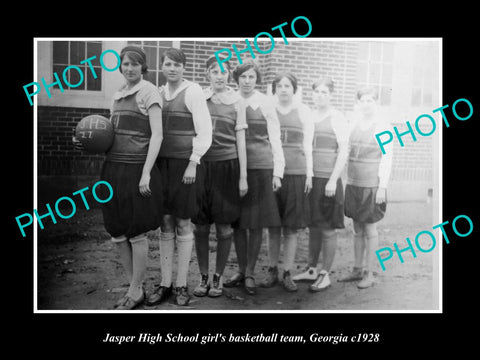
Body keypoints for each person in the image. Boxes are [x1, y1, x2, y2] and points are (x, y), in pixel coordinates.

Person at [73, 46, 164, 310]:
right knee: (116, 233)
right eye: (125, 64)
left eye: (135, 64)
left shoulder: (149, 91)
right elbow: (109, 134)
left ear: (142, 67)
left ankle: (136, 291)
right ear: (120, 66)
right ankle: (134, 287)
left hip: (137, 169)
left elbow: (157, 135)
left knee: (136, 233)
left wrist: (146, 172)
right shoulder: (117, 94)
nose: (130, 68)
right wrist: (85, 140)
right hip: (113, 168)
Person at [146, 48, 212, 306]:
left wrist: (193, 163)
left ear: (184, 67)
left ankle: (182, 284)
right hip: (162, 166)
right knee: (165, 222)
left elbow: (205, 132)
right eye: (168, 64)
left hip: (186, 164)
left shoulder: (193, 91)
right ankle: (165, 283)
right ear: (162, 66)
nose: (172, 68)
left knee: (184, 222)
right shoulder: (159, 93)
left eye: (177, 64)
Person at [223, 59, 285, 295]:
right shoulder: (231, 100)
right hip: (235, 166)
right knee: (238, 222)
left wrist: (278, 172)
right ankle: (240, 269)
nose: (247, 81)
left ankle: (250, 272)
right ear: (236, 79)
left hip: (261, 167)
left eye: (251, 77)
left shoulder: (266, 104)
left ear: (256, 80)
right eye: (243, 77)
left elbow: (275, 139)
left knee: (256, 222)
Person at [191, 55, 248, 298]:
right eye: (214, 71)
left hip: (227, 168)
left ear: (229, 75)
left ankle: (218, 276)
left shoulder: (237, 102)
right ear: (207, 74)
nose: (220, 75)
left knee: (225, 229)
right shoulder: (198, 99)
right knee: (200, 227)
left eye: (224, 72)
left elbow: (241, 142)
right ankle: (203, 275)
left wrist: (243, 176)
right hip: (202, 167)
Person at [292, 77, 349, 292]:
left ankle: (325, 273)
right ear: (312, 94)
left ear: (331, 95)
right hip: (311, 178)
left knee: (327, 228)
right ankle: (312, 269)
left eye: (325, 92)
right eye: (317, 92)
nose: (320, 96)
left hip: (328, 180)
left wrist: (333, 179)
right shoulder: (309, 116)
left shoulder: (337, 117)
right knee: (313, 226)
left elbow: (343, 151)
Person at [260, 72, 313, 292]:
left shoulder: (303, 111)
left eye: (287, 86)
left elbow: (308, 145)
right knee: (273, 225)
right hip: (273, 174)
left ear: (294, 89)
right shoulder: (268, 111)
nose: (283, 89)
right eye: (279, 86)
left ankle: (287, 271)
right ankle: (272, 269)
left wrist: (309, 174)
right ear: (274, 90)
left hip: (297, 173)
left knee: (291, 227)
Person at [339, 87, 392, 289]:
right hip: (353, 183)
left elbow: (387, 159)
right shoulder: (353, 124)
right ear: (358, 103)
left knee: (370, 227)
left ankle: (369, 273)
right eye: (364, 100)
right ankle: (357, 269)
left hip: (372, 185)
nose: (367, 104)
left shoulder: (383, 126)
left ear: (376, 103)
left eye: (371, 100)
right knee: (357, 227)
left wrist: (382, 187)